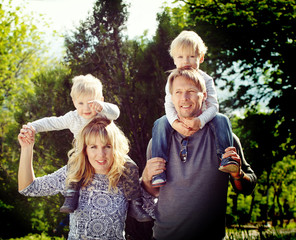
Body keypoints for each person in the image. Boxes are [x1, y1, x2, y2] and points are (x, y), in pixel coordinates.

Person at [141, 68, 257, 240]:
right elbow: (153, 193)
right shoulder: (157, 142)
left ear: (203, 95)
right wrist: (146, 177)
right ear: (171, 98)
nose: (184, 98)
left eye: (191, 92)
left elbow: (248, 187)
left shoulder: (225, 138)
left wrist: (237, 174)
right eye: (178, 92)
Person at [22, 74, 151, 222]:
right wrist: (33, 126)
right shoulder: (73, 117)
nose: (86, 108)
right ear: (74, 102)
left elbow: (116, 112)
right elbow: (52, 122)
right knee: (73, 164)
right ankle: (71, 195)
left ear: (100, 100)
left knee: (131, 167)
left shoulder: (103, 112)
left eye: (91, 103)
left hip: (110, 153)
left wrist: (103, 107)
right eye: (81, 103)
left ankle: (135, 203)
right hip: (83, 155)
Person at [18, 117, 149, 239]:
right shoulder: (74, 174)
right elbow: (28, 188)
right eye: (93, 147)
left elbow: (155, 212)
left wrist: (149, 179)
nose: (101, 154)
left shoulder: (127, 178)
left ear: (115, 148)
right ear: (85, 149)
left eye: (107, 146)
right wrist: (26, 148)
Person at [151, 30, 237, 187]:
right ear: (174, 59)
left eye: (191, 56)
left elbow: (213, 106)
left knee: (222, 119)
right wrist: (176, 123)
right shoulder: (172, 79)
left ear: (201, 58)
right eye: (181, 57)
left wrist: (200, 121)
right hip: (179, 117)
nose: (186, 61)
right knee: (160, 123)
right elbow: (169, 106)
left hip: (202, 117)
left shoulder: (206, 79)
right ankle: (158, 169)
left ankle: (226, 158)